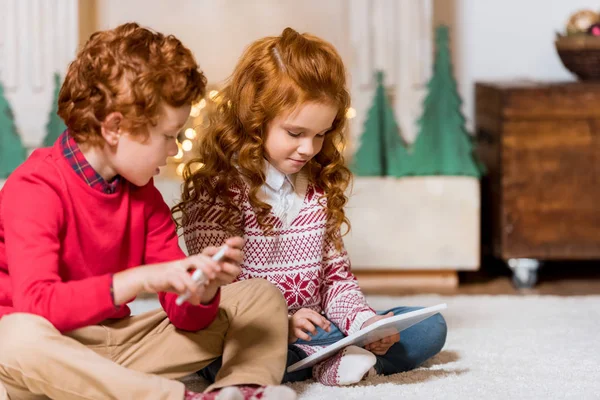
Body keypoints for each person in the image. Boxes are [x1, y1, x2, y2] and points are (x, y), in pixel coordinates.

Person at [0, 22, 295, 400]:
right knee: (12, 336)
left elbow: (182, 315)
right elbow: (39, 304)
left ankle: (242, 388)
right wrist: (141, 279)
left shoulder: (144, 196)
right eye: (169, 135)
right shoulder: (35, 186)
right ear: (114, 128)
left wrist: (201, 291)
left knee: (260, 297)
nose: (173, 150)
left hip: (119, 347)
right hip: (49, 352)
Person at [174, 27, 448, 387]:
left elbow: (336, 279)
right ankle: (331, 361)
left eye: (320, 134)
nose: (309, 149)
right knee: (231, 355)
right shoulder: (218, 191)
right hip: (249, 334)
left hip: (317, 327)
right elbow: (217, 296)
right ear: (255, 120)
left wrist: (364, 323)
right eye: (295, 133)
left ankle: (338, 353)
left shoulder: (315, 187)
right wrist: (283, 325)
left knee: (427, 327)